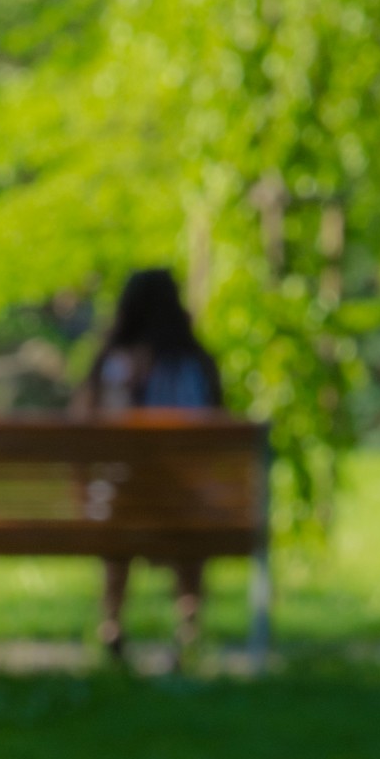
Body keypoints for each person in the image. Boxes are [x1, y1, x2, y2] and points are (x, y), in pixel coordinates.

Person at [76, 267, 223, 666]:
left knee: (121, 510)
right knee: (185, 522)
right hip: (185, 499)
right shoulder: (198, 363)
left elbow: (82, 427)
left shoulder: (111, 362)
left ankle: (111, 622)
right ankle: (189, 623)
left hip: (124, 499)